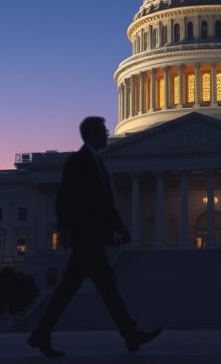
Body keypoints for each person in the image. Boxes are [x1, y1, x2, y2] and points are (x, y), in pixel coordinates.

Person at [28, 117, 162, 357]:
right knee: (107, 287)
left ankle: (41, 334)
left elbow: (107, 202)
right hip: (84, 236)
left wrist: (120, 228)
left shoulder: (98, 161)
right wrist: (66, 230)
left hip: (91, 236)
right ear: (91, 134)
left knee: (69, 290)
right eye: (102, 131)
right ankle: (131, 335)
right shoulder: (78, 161)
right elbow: (65, 197)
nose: (107, 134)